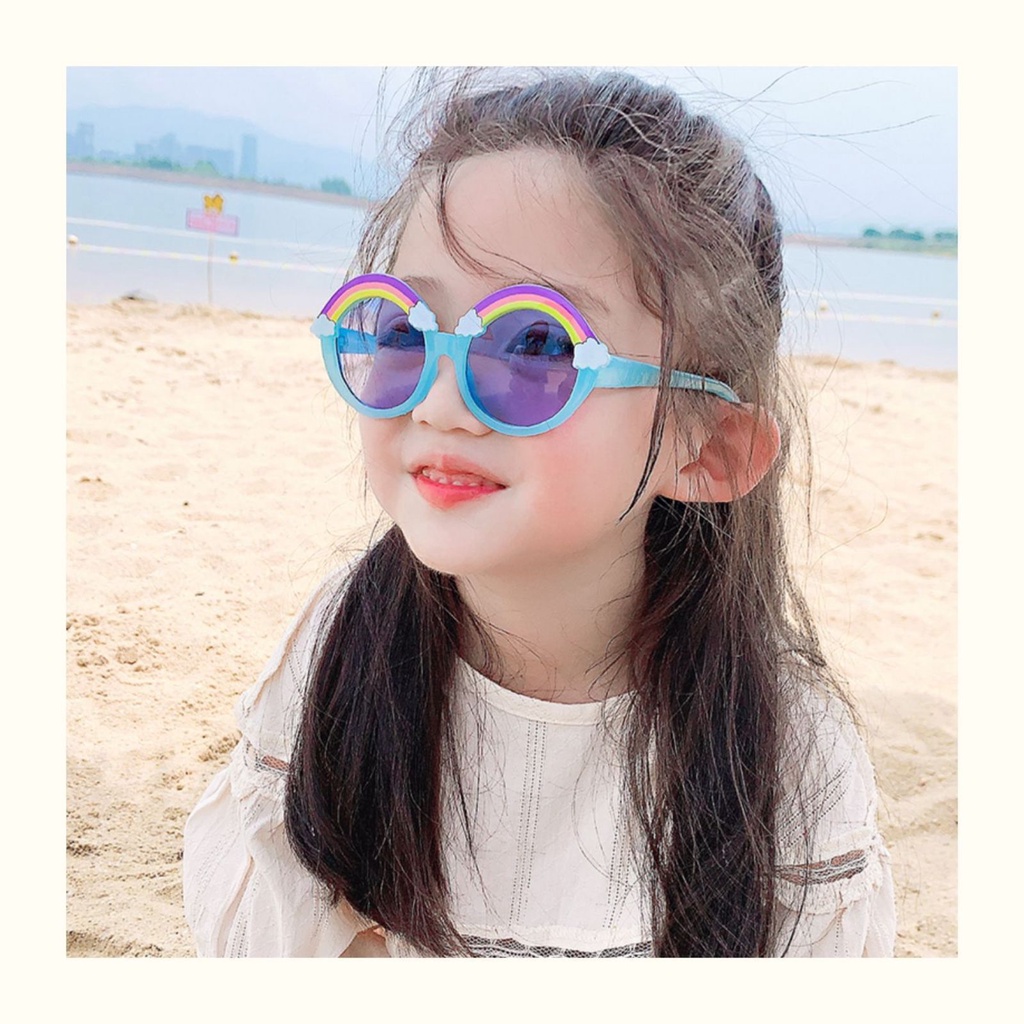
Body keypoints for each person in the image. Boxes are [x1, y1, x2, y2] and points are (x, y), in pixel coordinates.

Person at [183, 67, 896, 957]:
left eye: (535, 345)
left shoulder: (786, 748)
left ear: (707, 447)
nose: (440, 403)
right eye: (401, 330)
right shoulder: (342, 646)